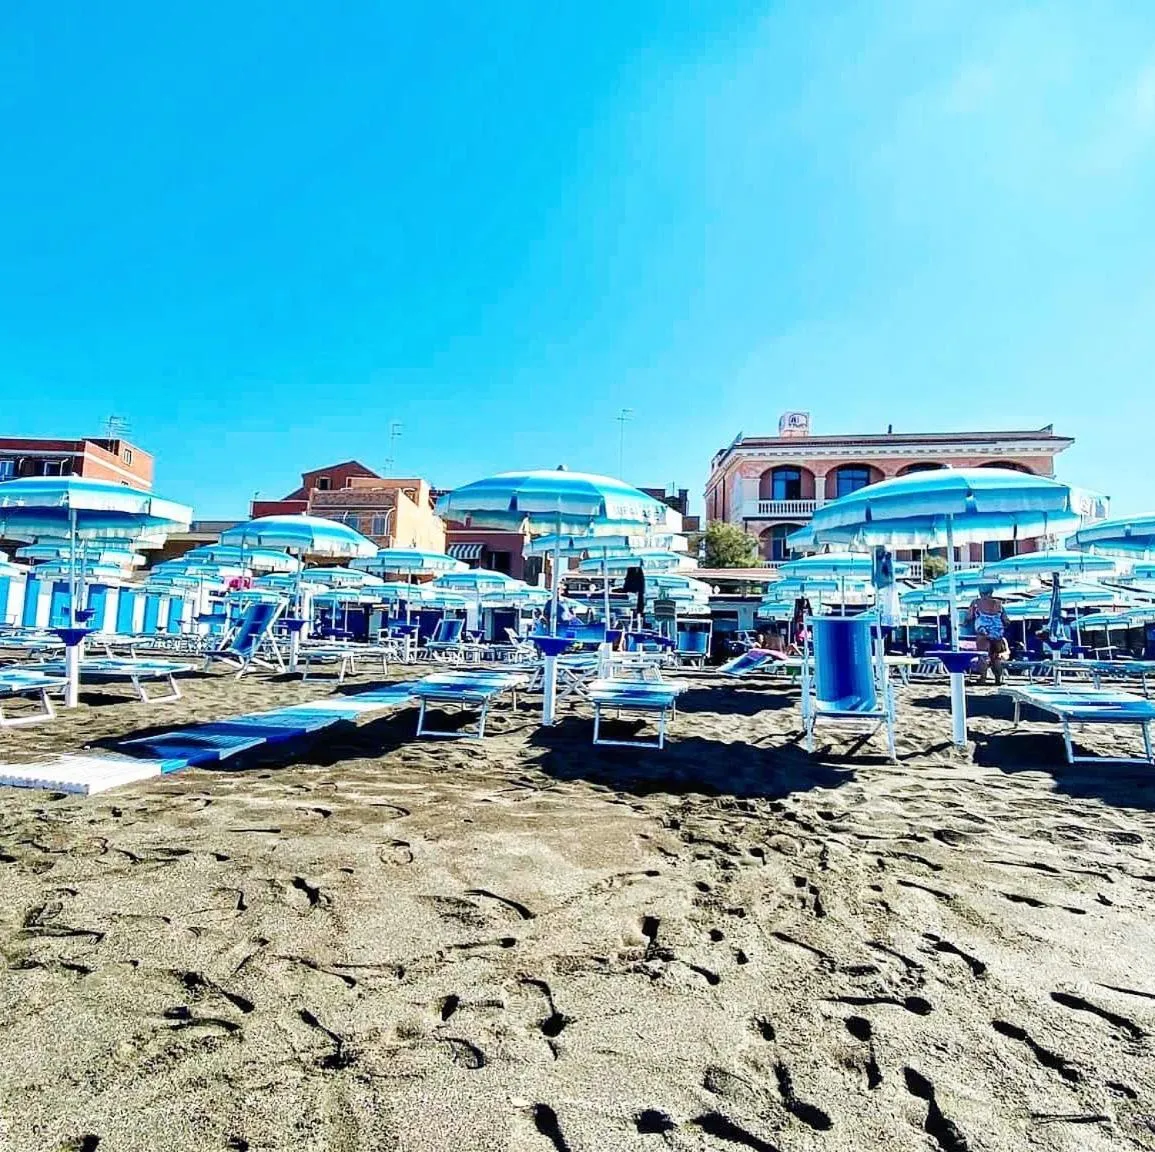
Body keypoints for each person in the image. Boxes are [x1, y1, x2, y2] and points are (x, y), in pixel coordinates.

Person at [966, 584, 1010, 685]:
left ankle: (983, 679)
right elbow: (1006, 620)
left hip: (983, 632)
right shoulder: (999, 604)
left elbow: (969, 617)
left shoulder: (976, 603)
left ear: (980, 593)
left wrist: (964, 622)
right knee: (996, 657)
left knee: (983, 656)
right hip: (997, 633)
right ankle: (998, 680)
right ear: (991, 592)